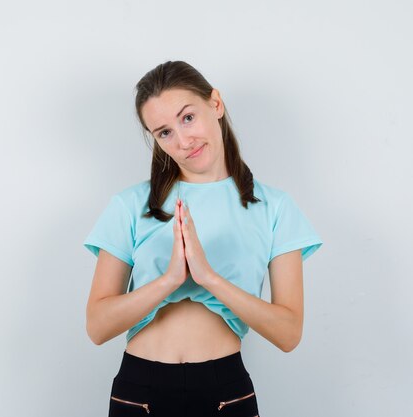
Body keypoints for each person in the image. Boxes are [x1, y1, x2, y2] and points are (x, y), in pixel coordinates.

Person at [83, 60, 323, 417]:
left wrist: (207, 276)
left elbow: (288, 334)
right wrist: (170, 280)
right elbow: (98, 327)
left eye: (188, 117)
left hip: (225, 391)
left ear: (216, 104)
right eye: (164, 132)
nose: (183, 141)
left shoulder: (274, 207)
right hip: (139, 390)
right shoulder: (131, 205)